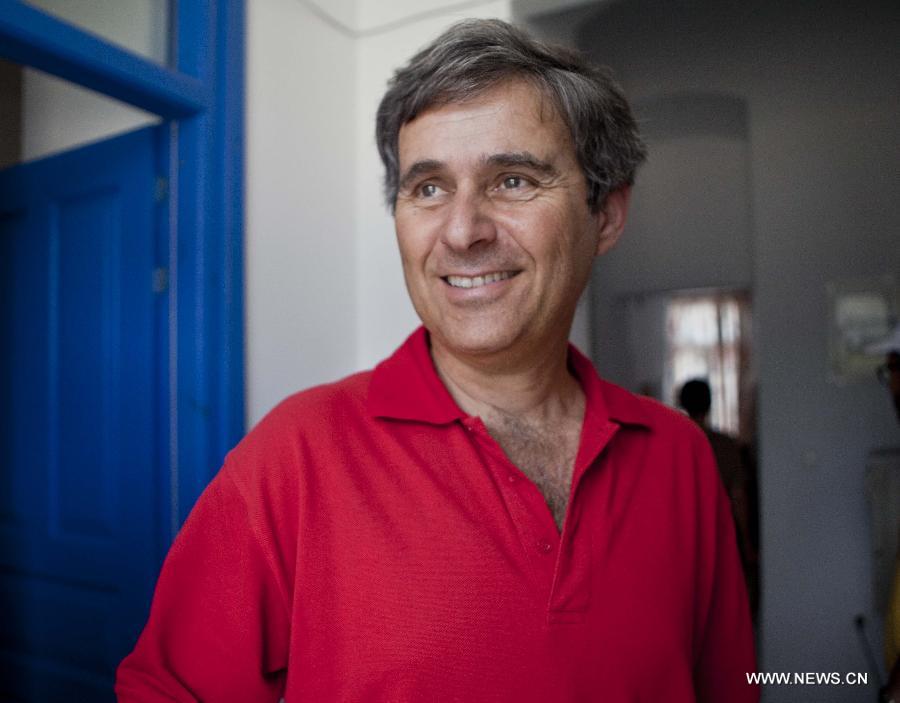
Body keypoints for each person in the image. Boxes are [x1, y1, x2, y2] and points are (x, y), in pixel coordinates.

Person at [116, 19, 758, 702]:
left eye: (512, 180)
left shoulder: (679, 460)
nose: (462, 231)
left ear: (605, 214)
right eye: (428, 188)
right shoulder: (292, 458)